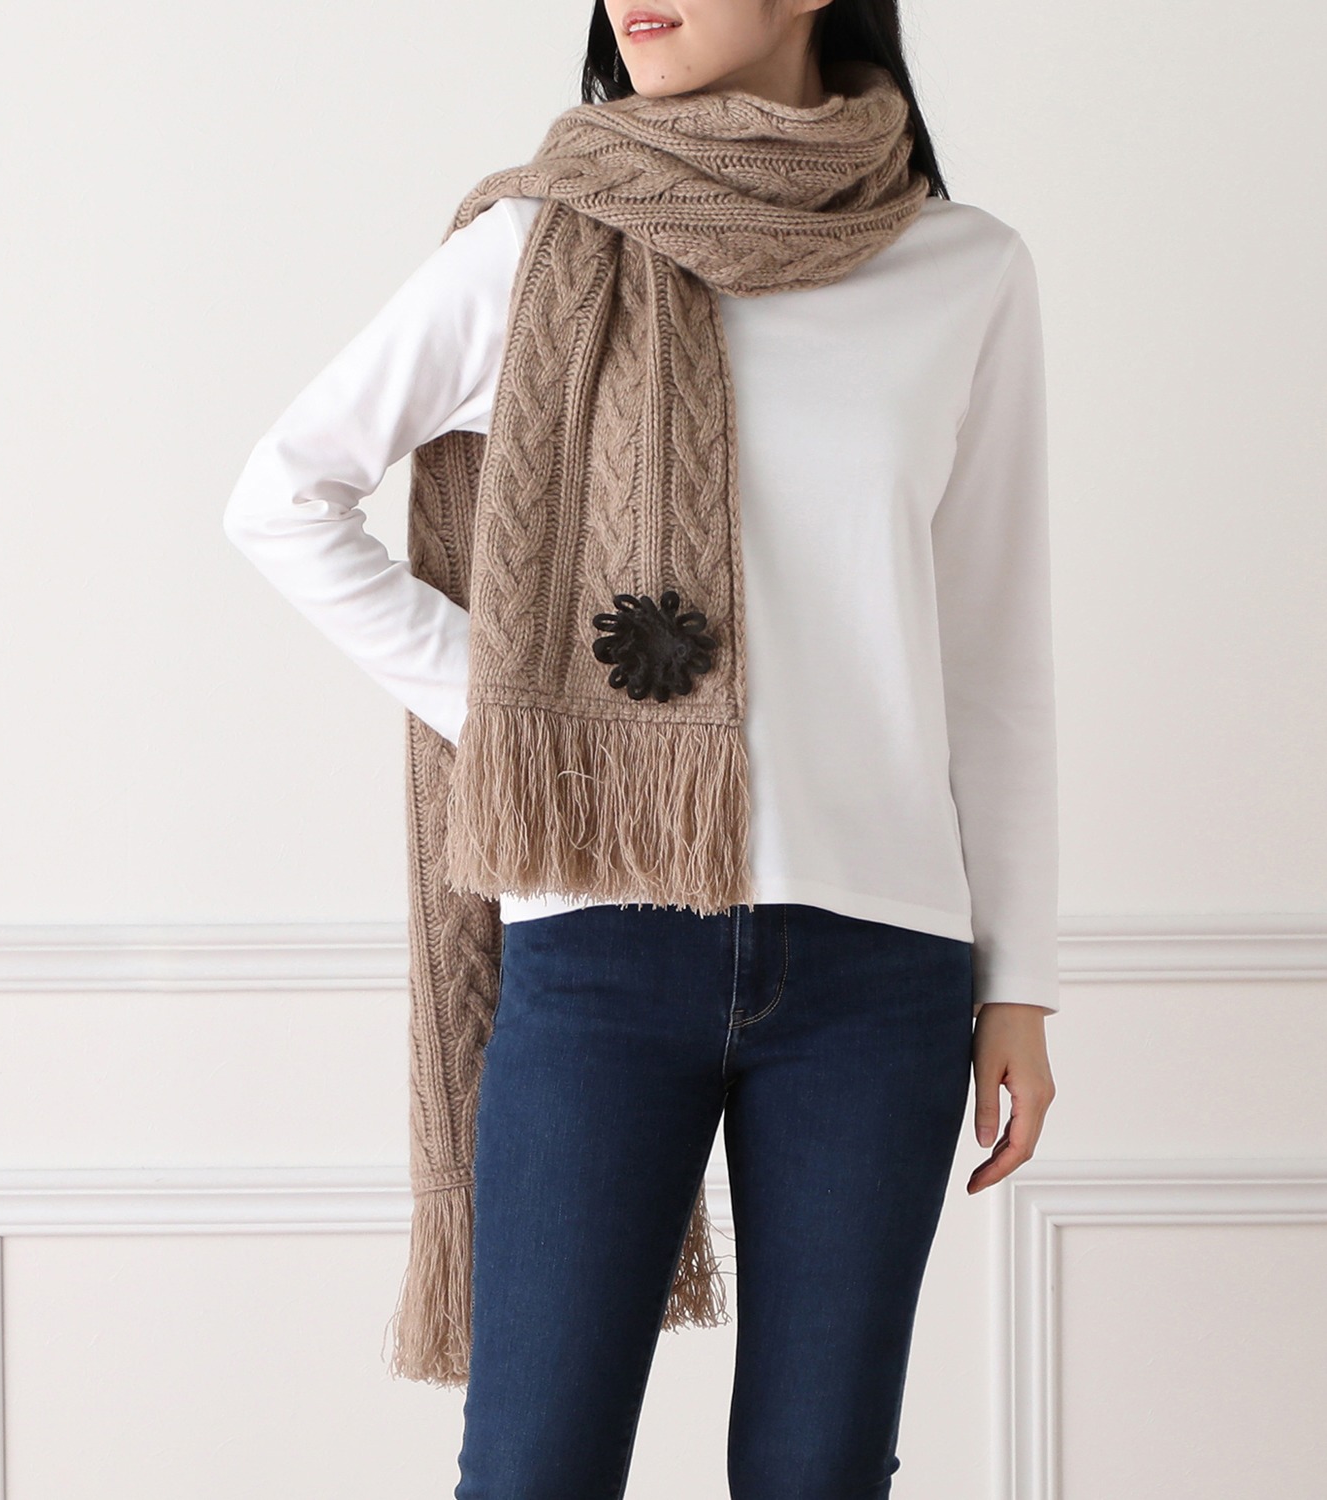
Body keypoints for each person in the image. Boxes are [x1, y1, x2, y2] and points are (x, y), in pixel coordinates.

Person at [224, 0, 1059, 1494]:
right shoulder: (534, 245)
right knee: (535, 1469)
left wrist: (1021, 984)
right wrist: (529, 722)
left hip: (882, 970)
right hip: (602, 947)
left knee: (821, 1472)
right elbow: (284, 499)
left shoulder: (966, 269)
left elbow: (990, 649)